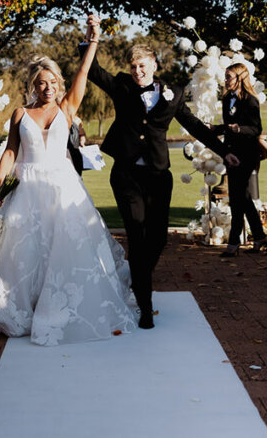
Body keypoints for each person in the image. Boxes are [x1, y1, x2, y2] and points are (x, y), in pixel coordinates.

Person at [0, 18, 137, 344]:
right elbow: (10, 153)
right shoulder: (20, 114)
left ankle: (58, 307)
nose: (47, 87)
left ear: (59, 84)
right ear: (32, 86)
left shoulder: (67, 108)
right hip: (26, 190)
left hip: (63, 190)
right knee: (18, 255)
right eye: (41, 82)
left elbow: (83, 75)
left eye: (52, 81)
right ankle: (10, 305)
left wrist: (93, 42)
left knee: (63, 252)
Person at [83, 18, 238, 328]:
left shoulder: (174, 93)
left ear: (153, 64)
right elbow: (92, 71)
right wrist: (92, 40)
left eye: (142, 65)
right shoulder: (122, 86)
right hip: (126, 176)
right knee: (138, 237)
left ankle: (137, 275)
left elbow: (194, 126)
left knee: (157, 240)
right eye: (133, 66)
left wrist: (224, 151)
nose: (137, 71)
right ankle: (145, 306)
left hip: (158, 177)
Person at [214, 63, 267, 256]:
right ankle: (260, 236)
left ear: (240, 78)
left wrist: (240, 129)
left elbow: (256, 129)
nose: (225, 80)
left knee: (238, 198)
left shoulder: (250, 100)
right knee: (241, 197)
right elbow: (228, 126)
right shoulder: (227, 98)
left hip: (247, 154)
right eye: (225, 76)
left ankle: (234, 243)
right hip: (231, 153)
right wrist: (215, 128)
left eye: (229, 76)